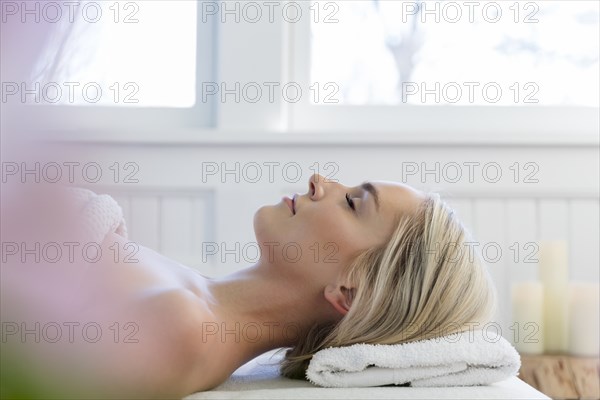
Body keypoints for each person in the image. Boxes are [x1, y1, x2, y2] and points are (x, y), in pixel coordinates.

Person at [0, 173, 497, 399]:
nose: (319, 181)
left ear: (349, 291)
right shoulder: (193, 301)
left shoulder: (186, 331)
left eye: (352, 203)